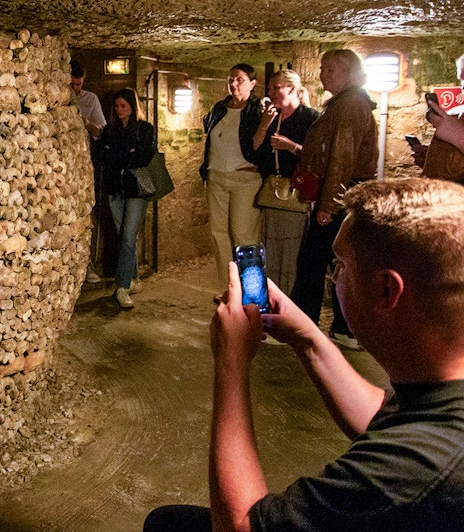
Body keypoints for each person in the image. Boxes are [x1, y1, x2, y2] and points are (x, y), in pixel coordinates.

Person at [144, 177, 464, 532]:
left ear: (386, 289)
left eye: (340, 266)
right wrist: (308, 339)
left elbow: (241, 525)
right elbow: (385, 416)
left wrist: (230, 359)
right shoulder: (444, 395)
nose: (332, 276)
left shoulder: (411, 474)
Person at [291, 49, 378, 349]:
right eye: (322, 69)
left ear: (349, 73)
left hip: (342, 196)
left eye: (330, 70)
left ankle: (302, 327)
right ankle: (344, 329)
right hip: (345, 194)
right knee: (339, 263)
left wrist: (328, 205)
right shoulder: (345, 102)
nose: (322, 75)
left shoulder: (350, 103)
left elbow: (341, 157)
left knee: (314, 262)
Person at [253, 69, 318, 295]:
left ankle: (288, 298)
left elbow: (318, 156)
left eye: (276, 88)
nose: (271, 93)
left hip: (295, 193)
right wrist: (264, 123)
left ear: (292, 89)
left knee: (290, 249)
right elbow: (255, 149)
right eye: (270, 89)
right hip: (272, 191)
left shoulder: (310, 117)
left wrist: (291, 146)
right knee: (269, 247)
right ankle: (270, 295)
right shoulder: (272, 117)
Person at [200, 64, 263, 288]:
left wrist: (259, 165)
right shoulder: (219, 108)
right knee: (219, 233)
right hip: (216, 177)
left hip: (244, 180)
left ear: (252, 84)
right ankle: (228, 287)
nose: (234, 83)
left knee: (243, 234)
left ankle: (252, 292)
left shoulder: (256, 110)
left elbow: (264, 144)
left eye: (240, 79)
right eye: (231, 79)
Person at [94, 88, 155, 309]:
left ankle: (121, 287)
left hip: (136, 189)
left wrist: (118, 154)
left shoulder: (145, 129)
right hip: (115, 189)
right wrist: (125, 153)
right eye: (117, 107)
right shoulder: (110, 130)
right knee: (124, 236)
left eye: (124, 106)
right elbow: (100, 154)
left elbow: (143, 156)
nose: (120, 111)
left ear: (132, 105)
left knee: (128, 237)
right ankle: (134, 278)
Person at [70, 60, 107, 283]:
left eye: (79, 84)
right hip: (61, 166)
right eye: (72, 84)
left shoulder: (90, 99)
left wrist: (85, 124)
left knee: (86, 213)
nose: (75, 89)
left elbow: (100, 131)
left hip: (84, 164)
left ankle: (87, 264)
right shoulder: (58, 96)